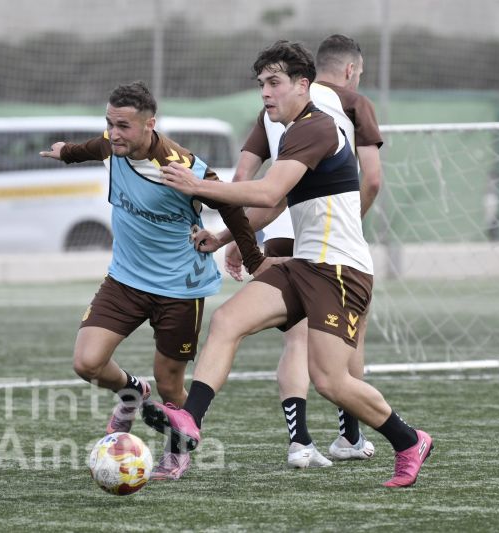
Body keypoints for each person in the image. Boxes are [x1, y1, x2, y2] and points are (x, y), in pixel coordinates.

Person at [141, 41, 433, 488]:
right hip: (301, 264)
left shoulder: (316, 128)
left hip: (340, 271)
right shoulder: (295, 130)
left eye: (274, 83)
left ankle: (410, 440)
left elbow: (265, 192)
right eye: (261, 84)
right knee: (227, 320)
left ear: (304, 85)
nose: (265, 93)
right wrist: (224, 237)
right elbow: (274, 202)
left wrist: (197, 185)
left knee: (331, 382)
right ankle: (190, 420)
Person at [39, 81, 267, 480]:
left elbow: (231, 205)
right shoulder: (112, 146)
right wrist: (66, 154)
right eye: (110, 123)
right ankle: (130, 392)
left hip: (179, 288)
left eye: (124, 125)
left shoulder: (182, 167)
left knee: (171, 384)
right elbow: (90, 148)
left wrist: (253, 259)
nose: (114, 133)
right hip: (124, 280)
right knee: (86, 362)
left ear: (150, 125)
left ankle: (177, 452)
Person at [202, 34, 383, 468]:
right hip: (321, 238)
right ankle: (350, 437)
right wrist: (347, 222)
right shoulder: (350, 103)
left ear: (304, 75)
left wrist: (236, 237)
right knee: (342, 343)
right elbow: (372, 179)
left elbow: (244, 174)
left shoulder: (272, 108)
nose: (267, 89)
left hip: (271, 224)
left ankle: (300, 441)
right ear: (350, 70)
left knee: (294, 342)